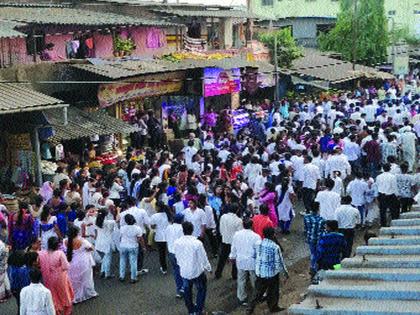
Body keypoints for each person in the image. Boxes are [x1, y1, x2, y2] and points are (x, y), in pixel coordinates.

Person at [247, 227, 288, 314]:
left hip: (260, 273)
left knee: (257, 292)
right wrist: (285, 273)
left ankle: (249, 309)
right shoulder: (275, 247)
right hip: (272, 274)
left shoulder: (257, 244)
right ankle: (273, 307)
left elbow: (253, 255)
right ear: (273, 235)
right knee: (273, 291)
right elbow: (279, 262)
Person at [174, 222, 211, 315]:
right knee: (201, 289)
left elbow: (177, 256)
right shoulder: (197, 243)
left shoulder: (177, 242)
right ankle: (199, 310)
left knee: (187, 291)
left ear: (183, 230)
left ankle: (190, 310)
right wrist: (208, 268)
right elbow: (203, 257)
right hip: (196, 271)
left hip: (184, 271)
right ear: (192, 230)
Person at [38, 237, 74, 315]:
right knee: (64, 293)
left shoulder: (41, 253)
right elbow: (66, 267)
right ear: (57, 245)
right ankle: (67, 312)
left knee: (53, 295)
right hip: (60, 278)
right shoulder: (60, 253)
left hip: (47, 278)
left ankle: (56, 310)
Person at [229, 219, 261, 305]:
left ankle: (241, 297)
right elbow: (258, 250)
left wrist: (232, 256)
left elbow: (233, 247)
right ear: (252, 226)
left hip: (241, 261)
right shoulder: (256, 236)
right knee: (254, 278)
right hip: (252, 261)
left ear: (243, 225)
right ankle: (257, 295)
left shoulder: (237, 235)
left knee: (241, 279)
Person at [65, 225, 97, 303]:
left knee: (74, 280)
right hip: (83, 262)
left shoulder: (65, 241)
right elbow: (92, 248)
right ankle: (89, 293)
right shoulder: (82, 241)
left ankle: (74, 296)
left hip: (71, 261)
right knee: (86, 278)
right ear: (77, 233)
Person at [215, 203, 242, 280]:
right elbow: (239, 233)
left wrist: (223, 235)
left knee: (222, 258)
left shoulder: (223, 217)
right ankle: (234, 275)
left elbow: (220, 228)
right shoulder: (238, 220)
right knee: (235, 259)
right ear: (237, 210)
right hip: (234, 243)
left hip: (225, 240)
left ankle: (218, 273)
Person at [119, 214, 145, 283]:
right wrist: (143, 247)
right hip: (133, 246)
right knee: (133, 262)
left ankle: (122, 276)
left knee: (122, 261)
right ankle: (133, 277)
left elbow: (120, 237)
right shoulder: (137, 228)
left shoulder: (122, 228)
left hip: (123, 245)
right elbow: (140, 239)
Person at [165, 213, 185, 298]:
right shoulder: (182, 228)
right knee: (183, 271)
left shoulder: (169, 227)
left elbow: (166, 238)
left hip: (171, 252)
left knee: (176, 271)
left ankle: (178, 289)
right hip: (180, 253)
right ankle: (184, 288)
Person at [303, 202, 326, 277]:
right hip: (319, 240)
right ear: (318, 208)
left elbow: (306, 228)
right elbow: (323, 231)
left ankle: (312, 267)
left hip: (310, 238)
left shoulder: (306, 217)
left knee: (312, 253)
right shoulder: (322, 219)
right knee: (318, 253)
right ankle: (315, 267)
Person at [95, 208, 116, 279]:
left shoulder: (97, 221)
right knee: (108, 258)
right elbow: (116, 221)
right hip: (106, 241)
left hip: (99, 241)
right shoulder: (107, 222)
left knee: (104, 257)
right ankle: (107, 274)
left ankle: (102, 271)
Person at [150, 202, 170, 275]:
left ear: (158, 207)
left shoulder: (154, 216)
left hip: (159, 237)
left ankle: (164, 268)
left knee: (162, 253)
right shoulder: (168, 214)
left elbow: (152, 226)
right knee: (171, 251)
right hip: (169, 235)